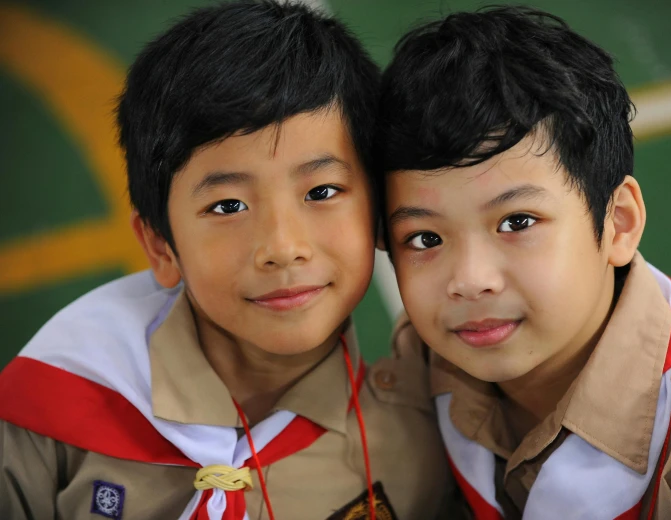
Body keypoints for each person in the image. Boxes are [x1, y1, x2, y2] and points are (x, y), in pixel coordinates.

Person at [0, 2, 454, 519]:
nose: (283, 248)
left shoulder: (430, 435)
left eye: (323, 190)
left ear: (378, 211)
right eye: (227, 206)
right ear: (160, 246)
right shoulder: (48, 416)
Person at [375, 5, 671, 519]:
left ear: (619, 223)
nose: (469, 281)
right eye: (425, 237)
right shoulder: (427, 358)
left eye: (517, 222)